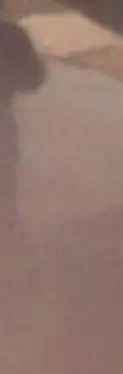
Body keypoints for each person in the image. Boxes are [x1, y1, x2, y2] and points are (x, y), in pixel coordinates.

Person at [0, 12, 45, 260]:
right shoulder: (10, 36)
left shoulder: (10, 37)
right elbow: (33, 78)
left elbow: (33, 78)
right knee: (4, 205)